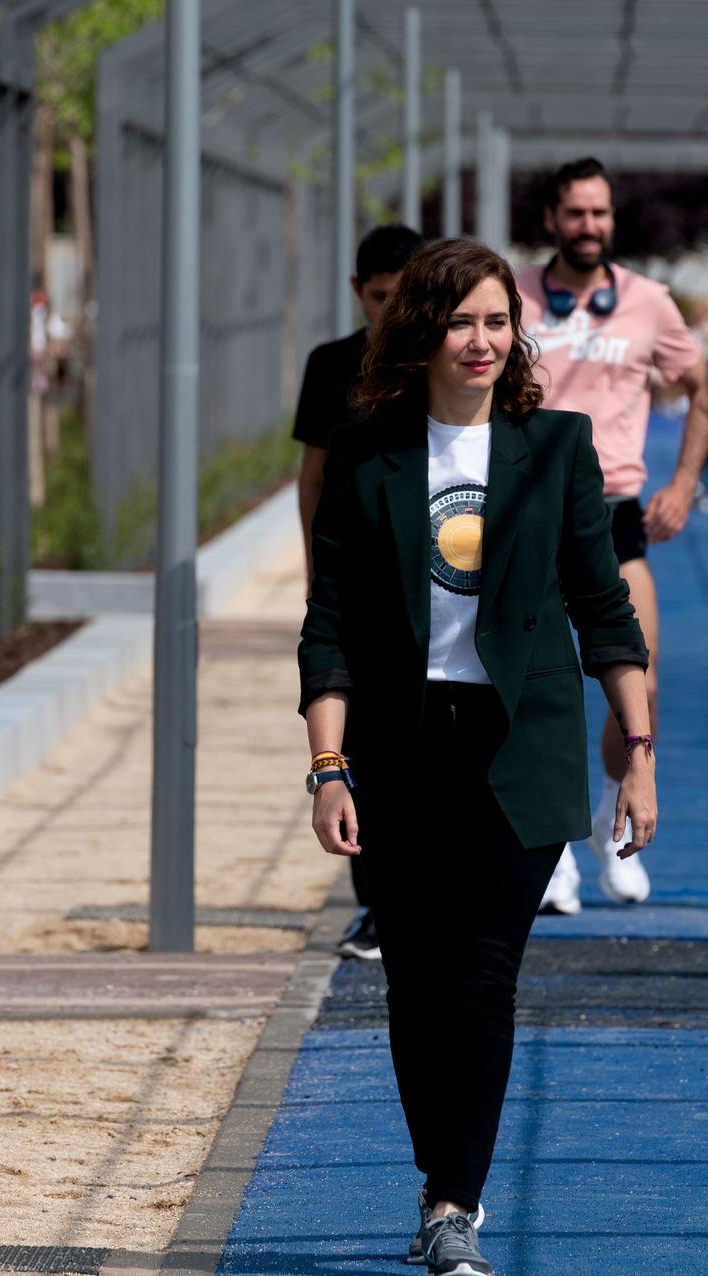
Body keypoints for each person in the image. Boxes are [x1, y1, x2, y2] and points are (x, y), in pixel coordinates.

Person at [300, 238, 655, 1276]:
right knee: (414, 979)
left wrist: (635, 755)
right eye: (462, 322)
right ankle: (434, 1184)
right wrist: (327, 767)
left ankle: (455, 1204)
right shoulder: (369, 452)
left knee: (483, 976)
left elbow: (604, 610)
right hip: (403, 749)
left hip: (522, 745)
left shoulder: (555, 448)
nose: (483, 340)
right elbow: (328, 624)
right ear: (420, 330)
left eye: (499, 321)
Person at [515, 158, 708, 913]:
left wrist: (686, 483)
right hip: (525, 512)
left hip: (614, 514)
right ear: (552, 220)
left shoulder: (649, 304)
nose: (588, 226)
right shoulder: (515, 297)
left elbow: (702, 387)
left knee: (642, 686)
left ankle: (607, 817)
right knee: (531, 690)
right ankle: (552, 847)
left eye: (600, 213)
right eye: (575, 213)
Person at [290, 224, 423, 963]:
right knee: (355, 739)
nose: (394, 312)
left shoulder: (446, 364)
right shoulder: (332, 366)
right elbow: (313, 475)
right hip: (356, 576)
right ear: (358, 293)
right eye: (381, 299)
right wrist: (316, 570)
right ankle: (374, 903)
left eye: (407, 297)